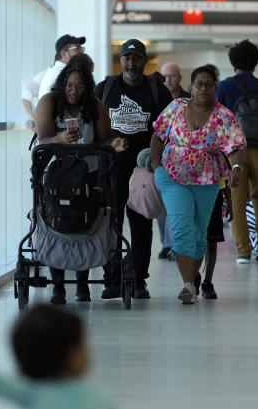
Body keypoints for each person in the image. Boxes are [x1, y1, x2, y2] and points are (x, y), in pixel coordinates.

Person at [35, 54, 127, 304]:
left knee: (85, 220)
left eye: (80, 86)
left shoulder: (95, 106)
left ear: (88, 87)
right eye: (70, 86)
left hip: (88, 173)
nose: (74, 91)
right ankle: (58, 285)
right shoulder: (49, 103)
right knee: (57, 219)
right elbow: (42, 141)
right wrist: (60, 140)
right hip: (56, 174)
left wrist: (113, 144)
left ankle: (83, 285)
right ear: (62, 85)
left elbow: (103, 140)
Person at [151, 65, 246, 304]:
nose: (204, 88)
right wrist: (156, 165)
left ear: (216, 88)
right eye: (199, 84)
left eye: (209, 84)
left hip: (207, 180)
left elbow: (236, 147)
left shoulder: (223, 115)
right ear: (191, 87)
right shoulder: (176, 107)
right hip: (173, 176)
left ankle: (192, 280)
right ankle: (187, 285)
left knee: (198, 234)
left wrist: (236, 167)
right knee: (182, 228)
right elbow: (157, 134)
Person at [95, 39, 172, 299]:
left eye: (136, 57)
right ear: (121, 60)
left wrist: (160, 161)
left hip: (144, 171)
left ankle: (139, 278)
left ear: (143, 60)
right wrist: (106, 144)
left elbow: (169, 128)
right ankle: (112, 279)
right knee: (111, 224)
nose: (131, 62)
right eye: (127, 58)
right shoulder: (106, 88)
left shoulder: (157, 90)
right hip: (112, 169)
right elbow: (92, 126)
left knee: (141, 225)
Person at [216, 39, 258, 264]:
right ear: (255, 61)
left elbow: (218, 120)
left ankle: (242, 250)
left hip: (235, 152)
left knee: (236, 200)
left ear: (233, 61)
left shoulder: (224, 87)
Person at [156, 62, 189, 259]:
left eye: (172, 76)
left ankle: (175, 243)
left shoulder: (188, 99)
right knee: (161, 203)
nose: (168, 80)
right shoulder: (156, 97)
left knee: (177, 202)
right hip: (161, 154)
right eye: (165, 76)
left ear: (179, 77)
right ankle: (166, 243)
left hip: (183, 156)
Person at [38, 35, 87, 102]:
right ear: (63, 54)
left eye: (81, 48)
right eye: (77, 48)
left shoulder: (56, 71)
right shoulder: (62, 73)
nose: (82, 51)